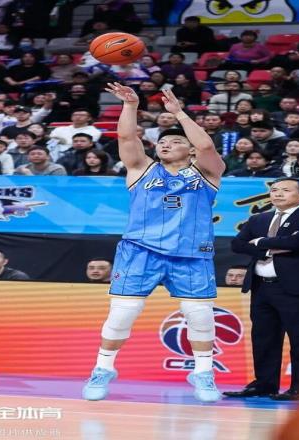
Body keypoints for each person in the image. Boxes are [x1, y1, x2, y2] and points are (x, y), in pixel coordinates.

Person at [82, 84, 225, 403]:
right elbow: (126, 138)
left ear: (189, 150)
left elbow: (205, 145)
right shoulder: (141, 169)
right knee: (123, 313)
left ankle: (203, 373)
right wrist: (130, 105)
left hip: (191, 253)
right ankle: (102, 369)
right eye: (162, 141)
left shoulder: (207, 173)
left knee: (199, 315)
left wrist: (179, 114)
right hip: (140, 250)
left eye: (176, 141)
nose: (166, 144)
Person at [224, 177, 299, 401]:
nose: (278, 194)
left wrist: (259, 242)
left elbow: (297, 243)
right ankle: (264, 384)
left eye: (285, 190)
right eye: (274, 190)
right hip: (261, 286)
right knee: (264, 337)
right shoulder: (258, 218)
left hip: (297, 287)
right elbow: (237, 244)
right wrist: (271, 248)